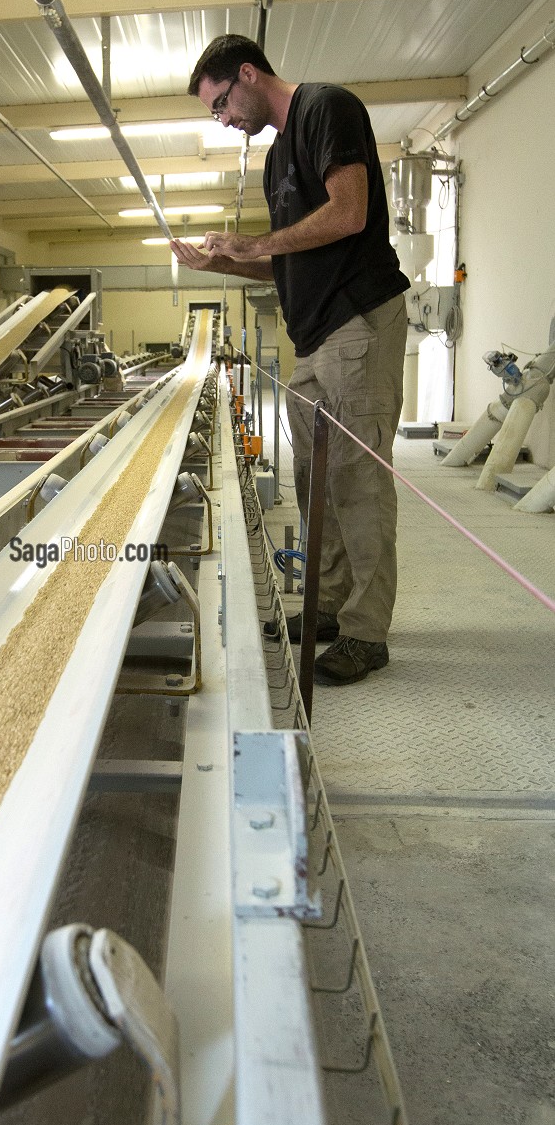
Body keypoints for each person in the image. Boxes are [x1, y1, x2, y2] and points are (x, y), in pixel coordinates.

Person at [171, 35, 409, 686]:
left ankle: (366, 631)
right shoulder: (277, 160)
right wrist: (216, 260)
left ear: (248, 74)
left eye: (221, 103)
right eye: (213, 114)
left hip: (356, 321)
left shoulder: (325, 109)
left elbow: (349, 213)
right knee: (313, 483)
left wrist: (248, 242)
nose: (222, 120)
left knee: (356, 484)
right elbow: (284, 261)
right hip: (312, 337)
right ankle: (327, 607)